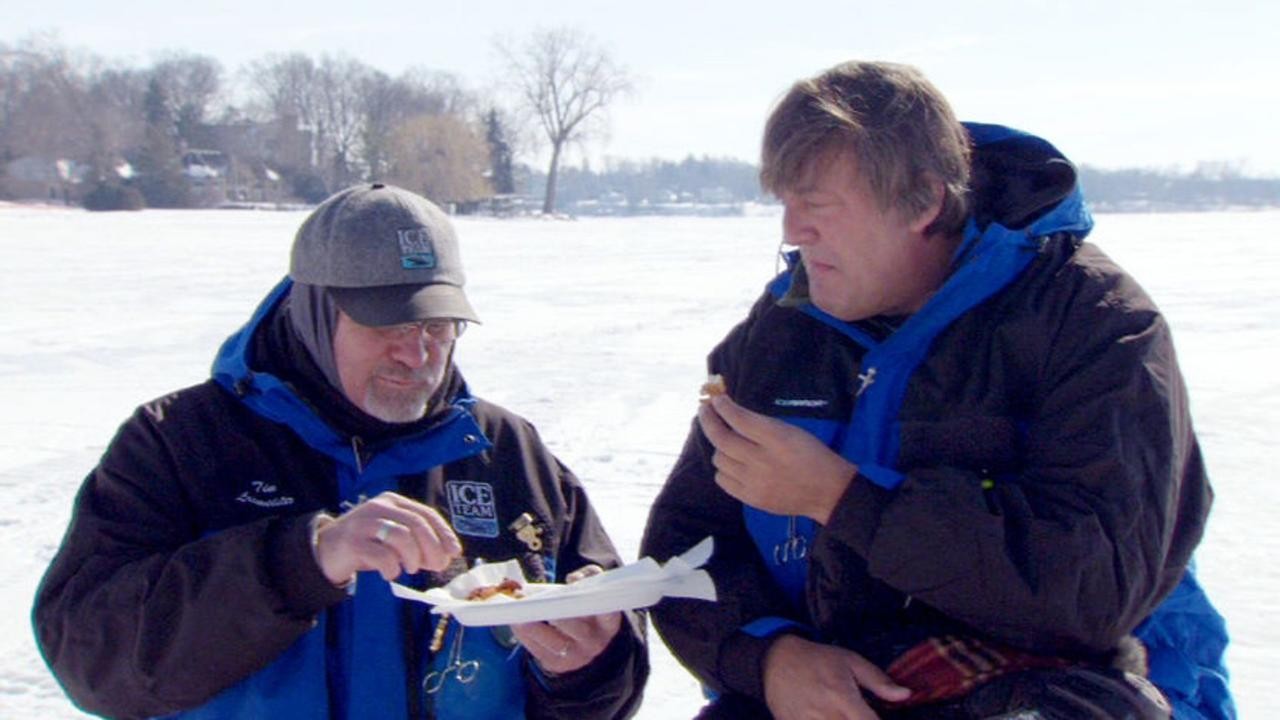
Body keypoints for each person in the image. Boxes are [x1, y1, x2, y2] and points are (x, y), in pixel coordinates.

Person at [641, 61, 1234, 720]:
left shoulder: (1093, 324)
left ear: (922, 201)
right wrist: (771, 659)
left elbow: (1093, 593)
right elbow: (683, 549)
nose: (791, 232)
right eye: (784, 203)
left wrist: (843, 498)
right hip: (824, 682)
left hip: (1050, 683)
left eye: (816, 205)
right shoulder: (781, 336)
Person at [33, 183, 648, 719]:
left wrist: (592, 666)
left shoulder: (504, 452)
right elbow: (88, 657)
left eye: (437, 326)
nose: (418, 355)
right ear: (313, 314)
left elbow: (600, 680)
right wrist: (300, 561)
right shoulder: (181, 441)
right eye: (388, 326)